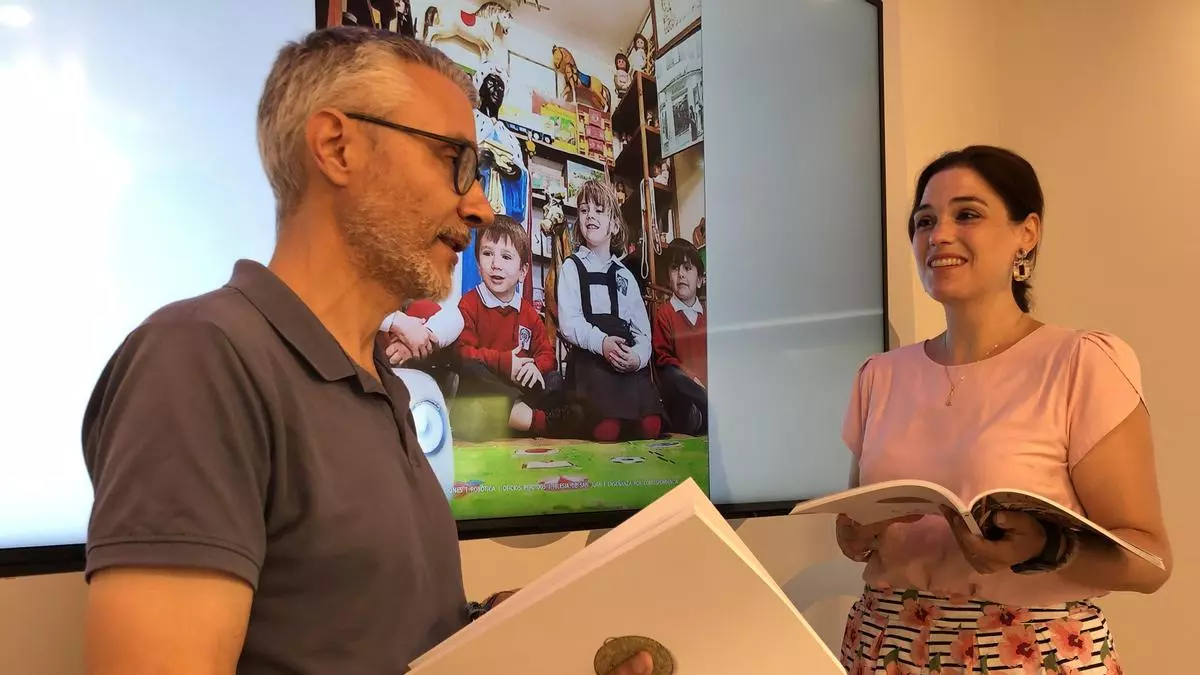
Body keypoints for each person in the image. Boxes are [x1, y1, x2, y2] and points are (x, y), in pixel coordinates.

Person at [80, 27, 653, 675]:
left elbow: (359, 635)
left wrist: (490, 628)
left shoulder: (385, 385)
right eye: (454, 161)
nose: (478, 206)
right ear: (337, 147)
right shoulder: (200, 361)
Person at [835, 146, 1173, 674]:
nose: (939, 235)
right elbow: (856, 530)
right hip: (886, 647)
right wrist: (854, 536)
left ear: (1027, 233)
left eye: (967, 214)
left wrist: (1047, 547)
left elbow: (1151, 562)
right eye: (925, 221)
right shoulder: (879, 375)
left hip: (1030, 653)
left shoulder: (1081, 362)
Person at [557, 179, 664, 442]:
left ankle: (626, 418)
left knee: (652, 426)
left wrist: (637, 358)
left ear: (614, 225)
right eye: (584, 210)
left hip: (624, 360)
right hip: (591, 359)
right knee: (607, 430)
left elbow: (642, 332)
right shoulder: (572, 267)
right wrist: (602, 343)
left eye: (599, 210)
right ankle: (594, 417)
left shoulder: (625, 275)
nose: (590, 215)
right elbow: (569, 324)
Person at [454, 215, 573, 440]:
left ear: (523, 272)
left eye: (506, 257)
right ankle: (533, 421)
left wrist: (535, 367)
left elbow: (547, 354)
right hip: (488, 390)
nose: (496, 264)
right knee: (469, 371)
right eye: (487, 254)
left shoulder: (528, 312)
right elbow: (463, 354)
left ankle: (515, 419)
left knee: (554, 380)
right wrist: (504, 363)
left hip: (520, 390)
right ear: (478, 265)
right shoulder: (469, 304)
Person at [652, 238, 708, 436]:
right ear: (669, 277)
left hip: (710, 387)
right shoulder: (665, 313)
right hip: (683, 392)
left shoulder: (708, 315)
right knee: (671, 374)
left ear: (700, 280)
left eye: (687, 268)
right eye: (675, 268)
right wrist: (692, 379)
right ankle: (701, 416)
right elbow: (664, 359)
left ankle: (708, 413)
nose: (681, 274)